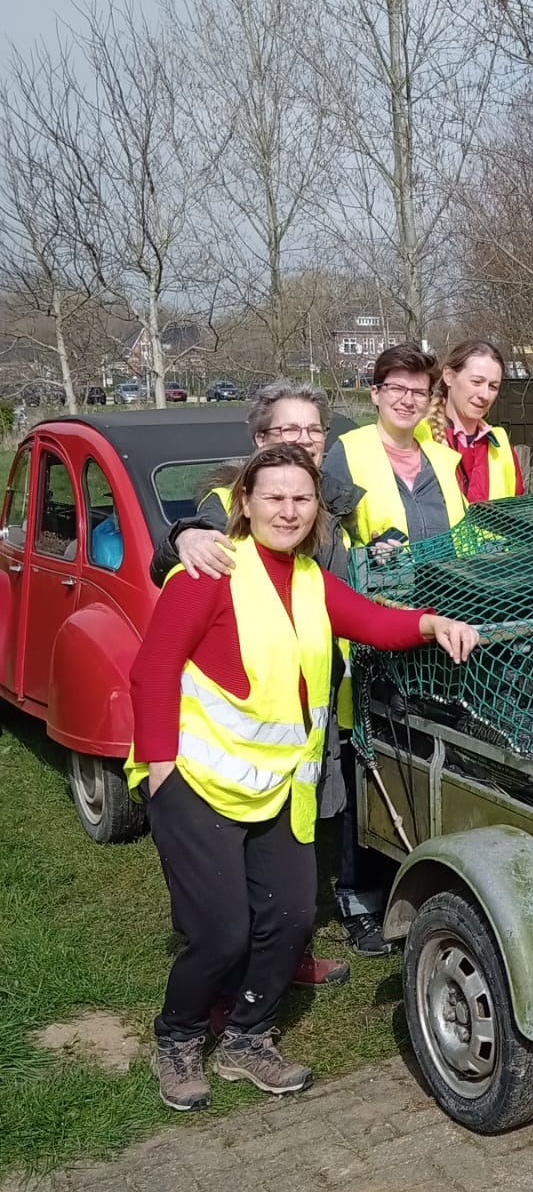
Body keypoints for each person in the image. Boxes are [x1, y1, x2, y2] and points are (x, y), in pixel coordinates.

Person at [130, 444, 480, 1113]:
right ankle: (175, 1038)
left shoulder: (312, 580)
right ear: (246, 504)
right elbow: (151, 673)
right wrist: (159, 773)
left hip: (278, 787)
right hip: (197, 784)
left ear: (316, 510)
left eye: (300, 498)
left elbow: (372, 621)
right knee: (221, 934)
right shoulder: (207, 575)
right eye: (275, 497)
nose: (288, 510)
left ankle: (247, 1037)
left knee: (291, 919)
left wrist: (432, 623)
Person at [150, 380, 367, 985]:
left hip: (310, 698)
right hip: (240, 715)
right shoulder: (231, 501)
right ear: (260, 442)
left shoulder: (335, 501)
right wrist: (182, 535)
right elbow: (169, 566)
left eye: (313, 430)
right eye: (287, 431)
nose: (303, 440)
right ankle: (228, 960)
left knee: (300, 827)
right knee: (238, 849)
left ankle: (284, 950)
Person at [324, 345, 467, 550]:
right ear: (375, 393)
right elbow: (326, 540)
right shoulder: (347, 453)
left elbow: (466, 531)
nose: (407, 401)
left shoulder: (444, 460)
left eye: (418, 393)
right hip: (380, 582)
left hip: (451, 580)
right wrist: (367, 558)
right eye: (397, 389)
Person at [425, 339, 525, 502]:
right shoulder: (420, 438)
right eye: (476, 382)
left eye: (493, 386)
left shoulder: (502, 446)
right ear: (449, 376)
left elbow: (517, 510)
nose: (485, 395)